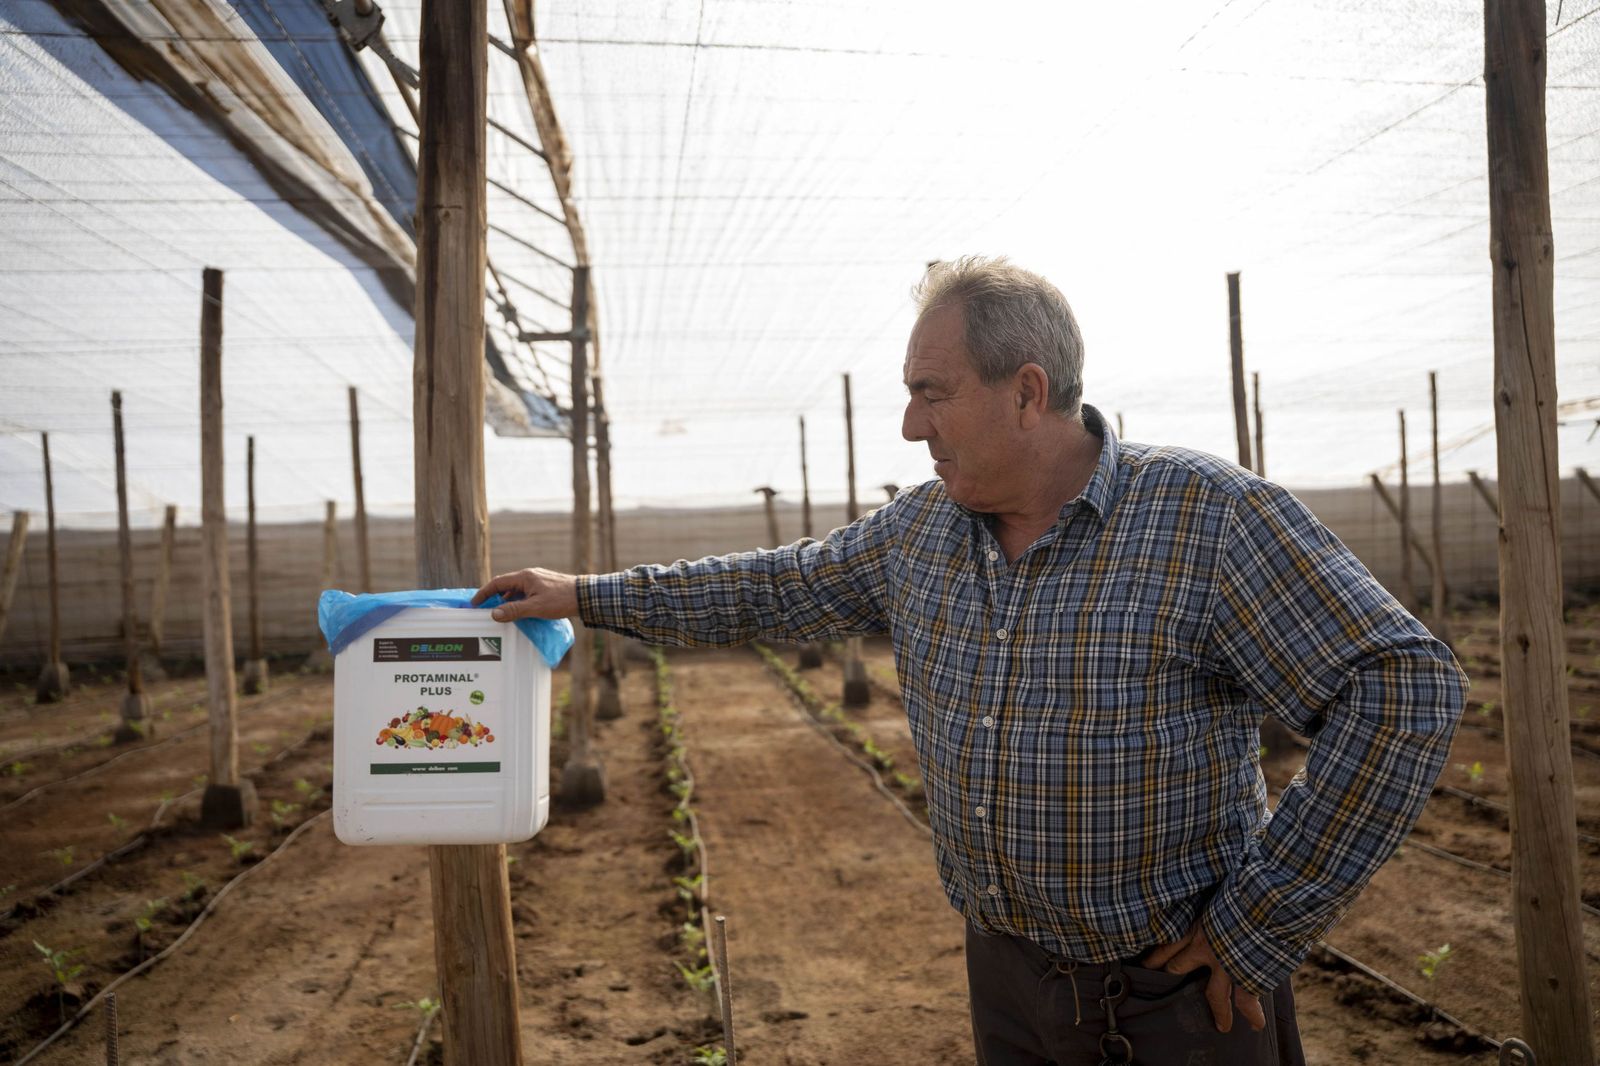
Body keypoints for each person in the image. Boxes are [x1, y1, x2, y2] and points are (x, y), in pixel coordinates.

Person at [474, 257, 1467, 1065]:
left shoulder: (1204, 517)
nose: (911, 425)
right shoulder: (924, 533)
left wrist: (1258, 922)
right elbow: (774, 587)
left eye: (929, 393)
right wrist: (586, 595)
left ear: (1025, 392)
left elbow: (1402, 687)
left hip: (1173, 997)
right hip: (1006, 979)